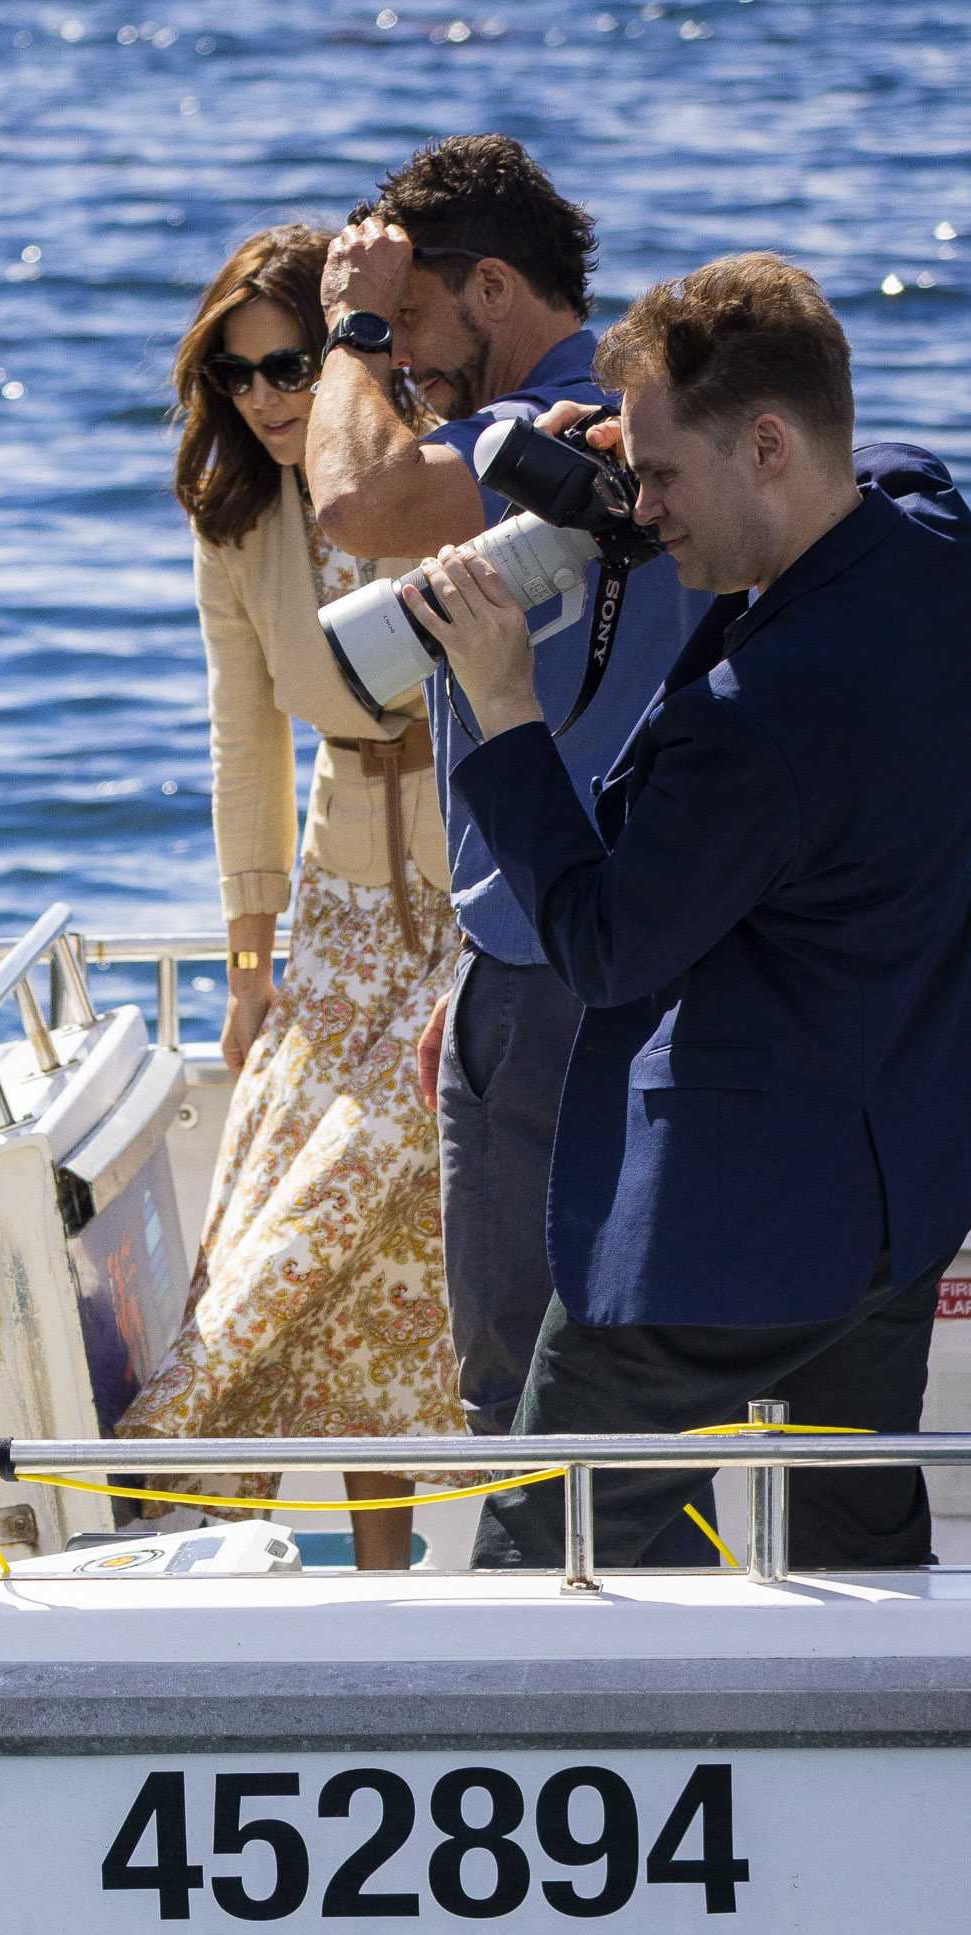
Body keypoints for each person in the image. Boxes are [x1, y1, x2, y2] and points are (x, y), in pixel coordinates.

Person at [410, 255, 971, 1571]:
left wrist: (503, 706)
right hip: (905, 1178)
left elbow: (606, 944)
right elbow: (875, 451)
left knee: (543, 1552)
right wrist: (628, 452)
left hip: (726, 1228)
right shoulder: (929, 535)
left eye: (665, 480)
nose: (648, 508)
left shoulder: (757, 723)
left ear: (771, 446)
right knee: (857, 1547)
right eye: (640, 473)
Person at [302, 132, 689, 1437]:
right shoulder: (644, 427)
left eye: (415, 319)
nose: (398, 357)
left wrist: (347, 326)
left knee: (521, 1387)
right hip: (596, 945)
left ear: (494, 291)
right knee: (619, 1365)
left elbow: (353, 501)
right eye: (386, 332)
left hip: (555, 974)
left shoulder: (537, 435)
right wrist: (472, 967)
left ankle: (559, 1619)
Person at [115, 224, 469, 1575]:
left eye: (292, 366)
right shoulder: (237, 521)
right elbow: (245, 740)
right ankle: (261, 1558)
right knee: (286, 1227)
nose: (267, 398)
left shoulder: (421, 469)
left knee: (375, 1222)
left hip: (476, 907)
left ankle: (386, 1564)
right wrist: (246, 965)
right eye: (238, 375)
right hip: (333, 916)